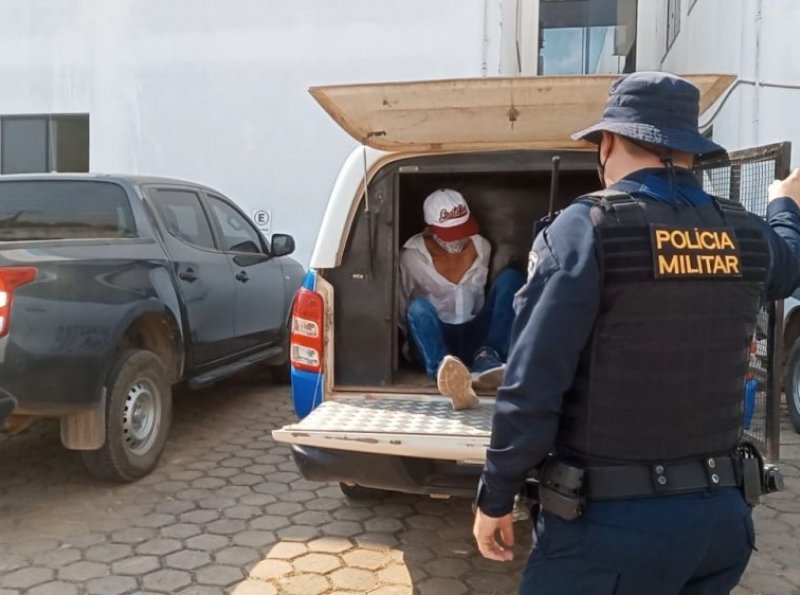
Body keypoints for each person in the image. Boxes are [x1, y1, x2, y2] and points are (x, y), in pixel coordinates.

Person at [472, 71, 800, 594]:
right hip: (719, 526)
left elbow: (533, 387)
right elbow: (791, 262)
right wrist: (784, 201)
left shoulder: (585, 230)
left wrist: (495, 497)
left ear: (608, 143)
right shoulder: (745, 233)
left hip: (607, 534)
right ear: (691, 150)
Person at [400, 188, 525, 409]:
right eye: (450, 233)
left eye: (461, 230)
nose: (458, 238)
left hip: (473, 332)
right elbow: (401, 307)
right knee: (418, 308)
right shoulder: (411, 257)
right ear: (429, 230)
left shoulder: (482, 247)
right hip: (436, 337)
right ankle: (446, 374)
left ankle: (488, 358)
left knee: (511, 279)